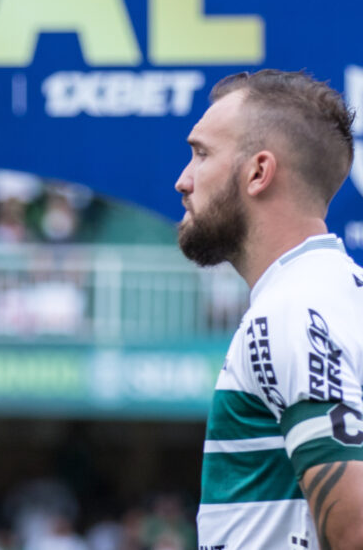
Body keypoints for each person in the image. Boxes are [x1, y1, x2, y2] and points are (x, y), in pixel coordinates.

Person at [175, 69, 363, 549]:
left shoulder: (293, 309)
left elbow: (354, 527)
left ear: (259, 172)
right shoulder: (330, 293)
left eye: (201, 154)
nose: (183, 180)